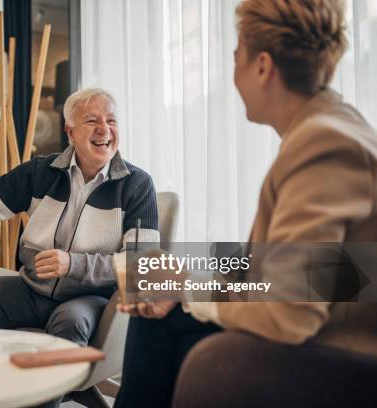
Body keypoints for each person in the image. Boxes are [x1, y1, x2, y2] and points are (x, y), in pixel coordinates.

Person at [114, 1, 377, 407]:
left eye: (235, 56)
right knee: (161, 320)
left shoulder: (324, 142)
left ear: (262, 66)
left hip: (344, 357)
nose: (231, 71)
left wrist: (186, 286)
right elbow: (291, 268)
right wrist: (187, 280)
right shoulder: (326, 128)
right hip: (324, 323)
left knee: (189, 342)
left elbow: (290, 311)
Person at [0, 88, 159, 347]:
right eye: (92, 121)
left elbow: (141, 265)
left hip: (87, 297)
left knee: (70, 323)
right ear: (70, 132)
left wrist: (73, 264)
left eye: (111, 121)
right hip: (30, 289)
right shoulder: (40, 172)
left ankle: (64, 389)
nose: (104, 129)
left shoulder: (137, 185)